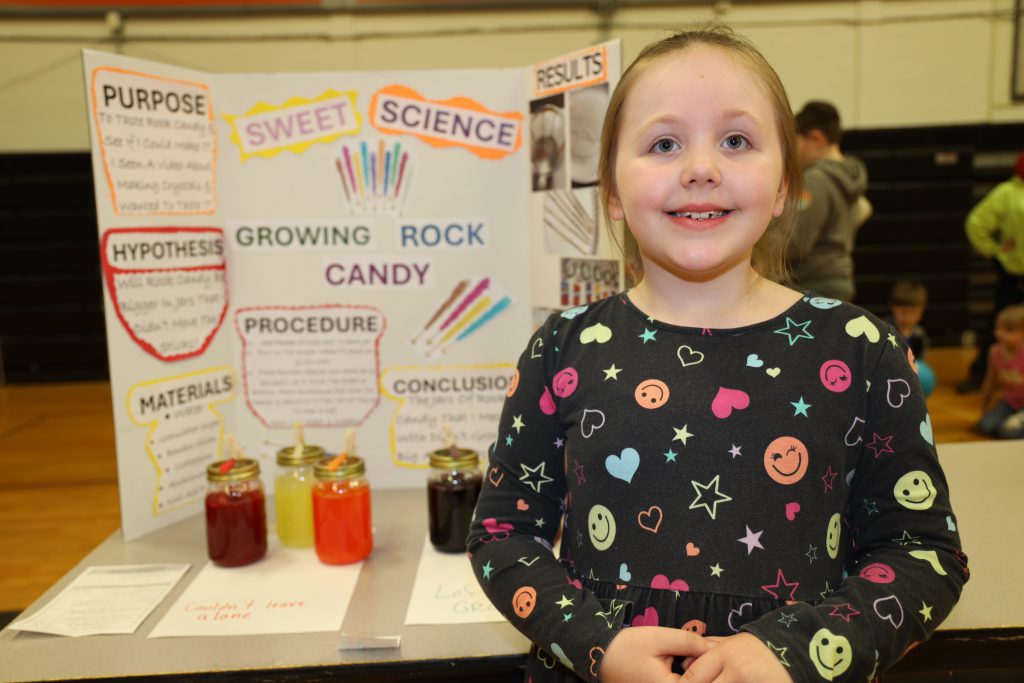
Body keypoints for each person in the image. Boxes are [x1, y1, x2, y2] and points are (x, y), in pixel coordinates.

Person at [467, 25, 968, 683]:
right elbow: (505, 534)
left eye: (736, 140)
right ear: (613, 192)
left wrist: (796, 651)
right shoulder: (562, 348)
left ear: (786, 184)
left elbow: (922, 552)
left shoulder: (862, 350)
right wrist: (600, 645)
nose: (701, 168)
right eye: (664, 142)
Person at [786, 101, 870, 302]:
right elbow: (865, 209)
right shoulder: (849, 176)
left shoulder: (816, 181)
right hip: (838, 280)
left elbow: (797, 242)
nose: (793, 153)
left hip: (814, 283)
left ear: (816, 138)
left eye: (796, 143)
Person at [957, 150, 1024, 393]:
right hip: (1013, 274)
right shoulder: (1007, 193)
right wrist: (995, 251)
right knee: (1001, 326)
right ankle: (981, 374)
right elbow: (976, 223)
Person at [976, 304, 1024, 438]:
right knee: (985, 426)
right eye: (998, 328)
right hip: (1009, 403)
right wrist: (985, 407)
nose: (1000, 333)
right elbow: (989, 380)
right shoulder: (995, 351)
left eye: (1009, 330)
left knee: (1006, 432)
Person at [887, 281, 936, 396]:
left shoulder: (920, 336)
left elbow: (921, 362)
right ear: (892, 307)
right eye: (903, 313)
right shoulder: (885, 331)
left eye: (913, 313)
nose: (908, 318)